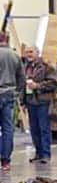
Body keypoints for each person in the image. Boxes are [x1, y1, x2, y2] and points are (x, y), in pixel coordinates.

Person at [21, 45, 57, 164]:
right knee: (34, 129)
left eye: (31, 52)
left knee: (44, 128)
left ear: (37, 52)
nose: (29, 54)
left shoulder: (47, 67)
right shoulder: (25, 67)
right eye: (27, 52)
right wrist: (23, 101)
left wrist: (38, 86)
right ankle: (38, 153)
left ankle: (46, 154)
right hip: (30, 102)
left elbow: (54, 83)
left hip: (43, 102)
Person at [0, 32, 23, 173]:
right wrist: (16, 92)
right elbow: (22, 78)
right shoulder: (15, 56)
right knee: (8, 128)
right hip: (9, 95)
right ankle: (5, 161)